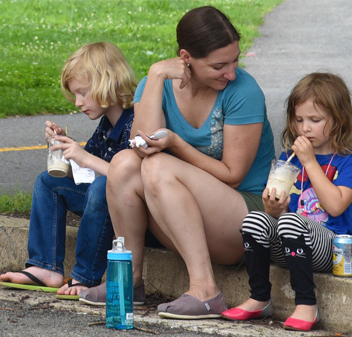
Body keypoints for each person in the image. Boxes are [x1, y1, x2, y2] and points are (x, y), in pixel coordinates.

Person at [78, 6, 275, 318]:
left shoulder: (243, 91)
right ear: (186, 58)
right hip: (184, 213)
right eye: (219, 65)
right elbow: (141, 147)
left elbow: (233, 175)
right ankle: (130, 282)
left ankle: (206, 291)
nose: (231, 72)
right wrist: (156, 74)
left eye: (235, 60)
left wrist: (176, 143)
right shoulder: (155, 83)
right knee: (124, 164)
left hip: (246, 218)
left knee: (157, 165)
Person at [221, 72, 352, 331]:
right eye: (299, 120)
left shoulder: (351, 161)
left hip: (331, 249)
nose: (305, 128)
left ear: (339, 119)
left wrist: (310, 162)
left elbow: (335, 206)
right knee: (255, 219)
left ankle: (306, 304)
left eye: (315, 120)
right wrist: (273, 207)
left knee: (291, 221)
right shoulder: (289, 159)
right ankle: (259, 297)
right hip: (292, 244)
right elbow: (279, 213)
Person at [0, 42, 137, 299]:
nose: (77, 102)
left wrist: (84, 157)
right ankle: (45, 266)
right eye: (75, 94)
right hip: (106, 204)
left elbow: (128, 178)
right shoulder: (108, 124)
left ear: (108, 82)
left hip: (135, 217)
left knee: (101, 186)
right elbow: (88, 174)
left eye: (83, 93)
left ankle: (85, 277)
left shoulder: (136, 121)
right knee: (48, 182)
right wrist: (64, 152)